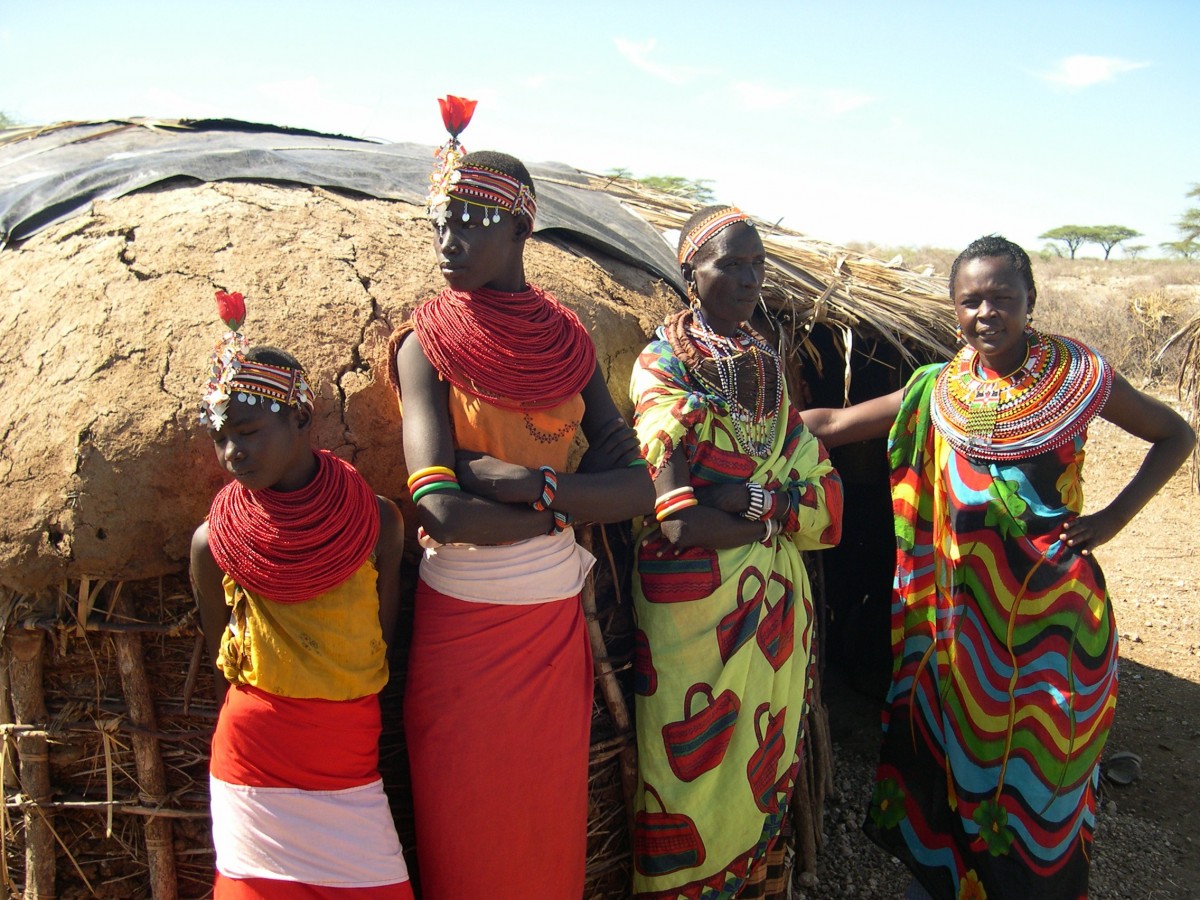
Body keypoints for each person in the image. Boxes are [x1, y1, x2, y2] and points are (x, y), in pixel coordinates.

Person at [801, 235, 1196, 900]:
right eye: (970, 300)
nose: (986, 312)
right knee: (963, 768)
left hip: (1055, 631)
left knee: (1045, 779)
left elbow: (1175, 434)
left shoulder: (1076, 376)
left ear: (1030, 302)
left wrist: (1113, 519)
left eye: (1002, 298)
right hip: (962, 636)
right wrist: (743, 424)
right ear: (954, 309)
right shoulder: (940, 389)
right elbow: (835, 422)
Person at [385, 96, 654, 900]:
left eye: (470, 222)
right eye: (440, 224)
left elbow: (640, 486)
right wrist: (565, 503)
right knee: (467, 830)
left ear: (520, 231)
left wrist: (532, 484)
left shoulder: (567, 346)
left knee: (542, 830)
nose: (449, 240)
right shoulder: (425, 347)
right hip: (462, 629)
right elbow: (439, 509)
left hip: (548, 628)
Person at [628, 206, 844, 898]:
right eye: (731, 263)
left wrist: (751, 504)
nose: (750, 278)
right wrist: (777, 514)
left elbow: (828, 505)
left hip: (768, 617)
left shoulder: (765, 369)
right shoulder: (663, 366)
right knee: (682, 783)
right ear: (689, 272)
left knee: (757, 760)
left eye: (758, 264)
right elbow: (679, 526)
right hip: (688, 618)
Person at [190, 290, 412, 899]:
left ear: (301, 419)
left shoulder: (376, 523)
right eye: (222, 437)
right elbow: (223, 665)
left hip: (348, 760)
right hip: (254, 762)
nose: (234, 452)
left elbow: (379, 649)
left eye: (250, 430)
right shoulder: (215, 543)